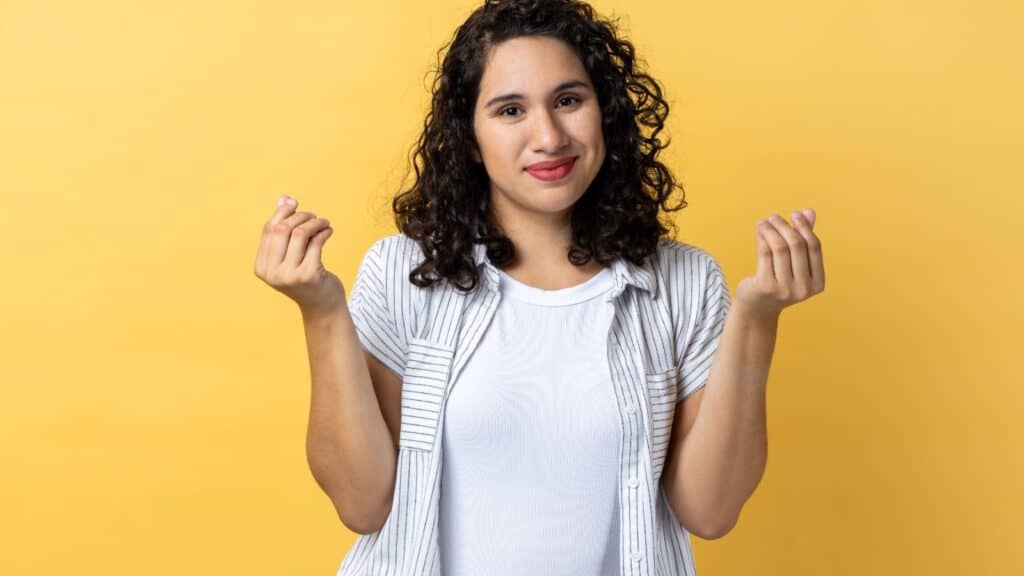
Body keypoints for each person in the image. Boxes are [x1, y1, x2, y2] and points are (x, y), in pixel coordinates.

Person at [253, 0, 825, 574]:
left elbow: (710, 510)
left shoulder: (686, 283)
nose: (549, 136)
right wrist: (322, 311)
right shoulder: (404, 275)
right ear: (470, 140)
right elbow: (363, 503)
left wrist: (756, 320)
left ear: (606, 112)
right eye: (509, 110)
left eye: (569, 100)